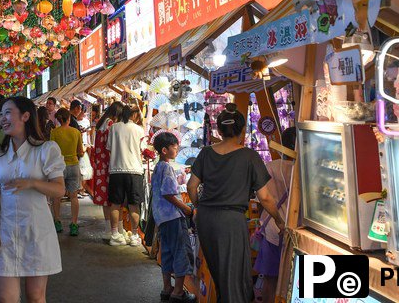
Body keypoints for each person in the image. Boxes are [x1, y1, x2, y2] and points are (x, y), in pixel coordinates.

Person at [187, 103, 284, 303]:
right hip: (230, 221)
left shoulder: (206, 153)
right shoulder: (249, 156)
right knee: (235, 275)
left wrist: (199, 207)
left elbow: (191, 187)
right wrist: (279, 219)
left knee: (221, 273)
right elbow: (265, 197)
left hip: (206, 219)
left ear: (219, 130)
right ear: (242, 131)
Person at [0, 96, 66, 303]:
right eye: (1, 114)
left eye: (8, 113)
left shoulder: (46, 150)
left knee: (35, 297)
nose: (2, 118)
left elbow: (59, 190)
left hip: (37, 232)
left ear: (26, 116)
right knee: (6, 298)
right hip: (6, 231)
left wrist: (32, 183)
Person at [151, 131, 196, 303]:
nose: (177, 150)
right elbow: (169, 193)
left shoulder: (158, 167)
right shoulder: (167, 167)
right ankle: (178, 292)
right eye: (175, 148)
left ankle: (166, 288)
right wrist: (186, 209)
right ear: (164, 150)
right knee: (181, 252)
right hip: (172, 217)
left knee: (168, 252)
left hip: (161, 218)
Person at [254, 126, 296, 303]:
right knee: (291, 278)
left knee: (270, 277)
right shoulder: (300, 170)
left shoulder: (271, 167)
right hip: (294, 228)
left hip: (271, 227)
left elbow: (262, 199)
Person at [107, 104, 146, 247]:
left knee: (115, 204)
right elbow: (143, 150)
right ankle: (135, 236)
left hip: (116, 170)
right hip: (134, 171)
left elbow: (109, 147)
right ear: (133, 115)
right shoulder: (139, 130)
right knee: (134, 205)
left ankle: (115, 235)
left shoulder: (113, 128)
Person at [91, 102, 124, 240]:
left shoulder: (101, 123)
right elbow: (112, 147)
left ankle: (107, 230)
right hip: (110, 165)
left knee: (105, 199)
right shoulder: (111, 125)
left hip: (101, 165)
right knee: (115, 199)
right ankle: (118, 230)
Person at [49, 108, 84, 236]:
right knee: (74, 196)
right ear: (68, 119)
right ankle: (74, 224)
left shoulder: (54, 133)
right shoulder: (76, 132)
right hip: (74, 165)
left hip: (59, 167)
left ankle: (57, 222)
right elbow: (81, 151)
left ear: (58, 119)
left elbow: (51, 151)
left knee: (56, 196)